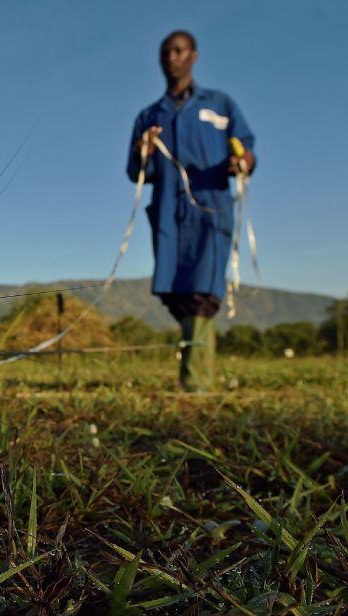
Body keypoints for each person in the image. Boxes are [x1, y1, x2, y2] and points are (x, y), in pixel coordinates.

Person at [127, 30, 256, 391]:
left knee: (203, 293)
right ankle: (194, 376)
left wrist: (243, 160)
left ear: (194, 56)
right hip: (169, 215)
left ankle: (196, 385)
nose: (172, 57)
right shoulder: (150, 116)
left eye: (179, 50)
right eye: (166, 51)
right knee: (177, 294)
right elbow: (135, 173)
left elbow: (247, 149)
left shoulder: (219, 105)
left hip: (211, 210)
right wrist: (144, 152)